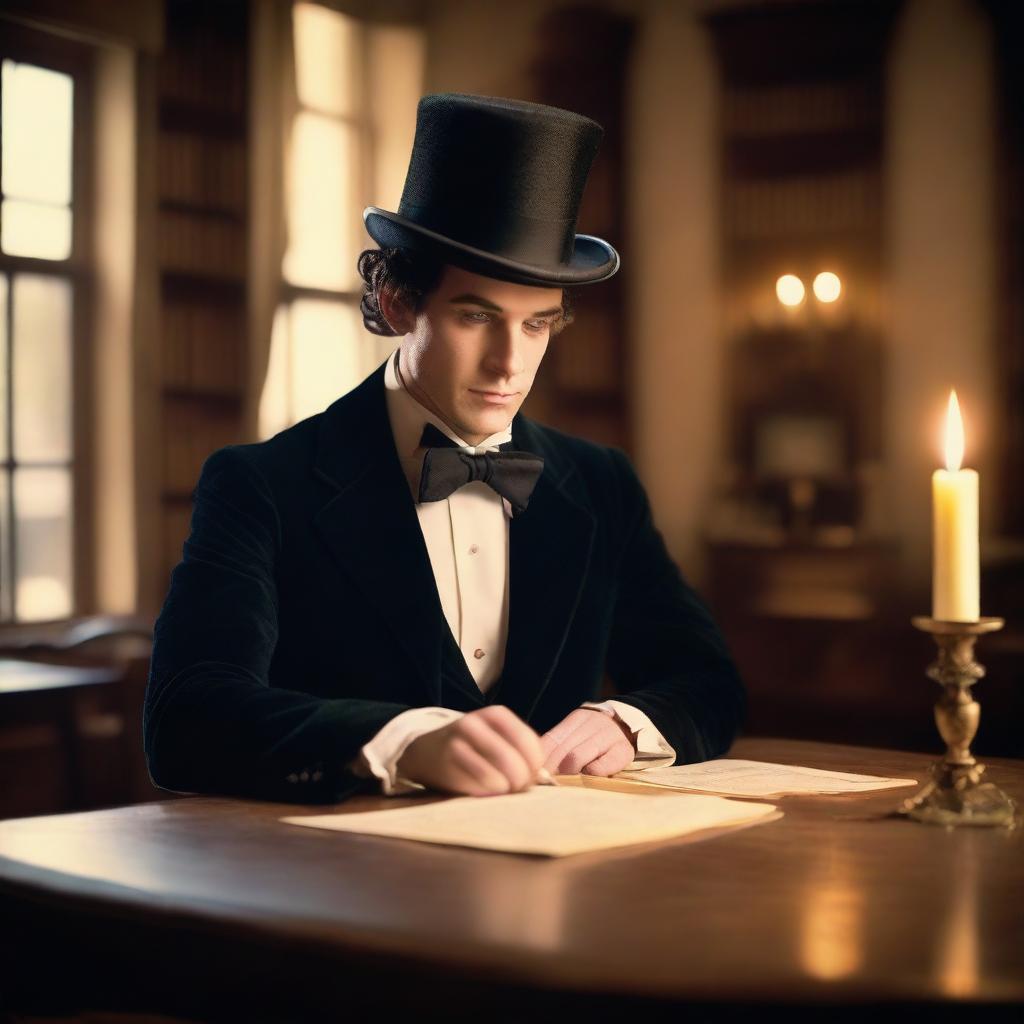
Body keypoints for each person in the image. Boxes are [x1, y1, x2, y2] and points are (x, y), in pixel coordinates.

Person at [144, 93, 746, 803]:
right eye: (476, 317)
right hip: (343, 891)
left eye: (537, 325)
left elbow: (709, 683)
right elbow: (186, 717)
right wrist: (403, 740)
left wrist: (626, 721)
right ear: (399, 301)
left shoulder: (600, 482)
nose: (509, 364)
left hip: (566, 888)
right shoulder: (261, 484)